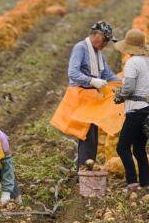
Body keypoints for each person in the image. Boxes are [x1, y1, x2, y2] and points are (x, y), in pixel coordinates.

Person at [51, 21, 123, 168]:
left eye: (108, 41)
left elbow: (108, 75)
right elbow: (73, 72)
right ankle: (84, 169)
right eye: (105, 40)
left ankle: (86, 168)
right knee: (86, 135)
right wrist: (91, 80)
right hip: (80, 95)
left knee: (92, 135)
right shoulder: (81, 48)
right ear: (96, 35)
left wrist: (124, 82)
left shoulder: (98, 54)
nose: (105, 44)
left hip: (92, 98)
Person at [113, 29, 149, 191]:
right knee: (139, 149)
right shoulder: (148, 62)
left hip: (136, 111)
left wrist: (120, 95)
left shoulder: (131, 63)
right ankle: (145, 184)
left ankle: (132, 183)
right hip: (147, 108)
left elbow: (129, 88)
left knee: (122, 147)